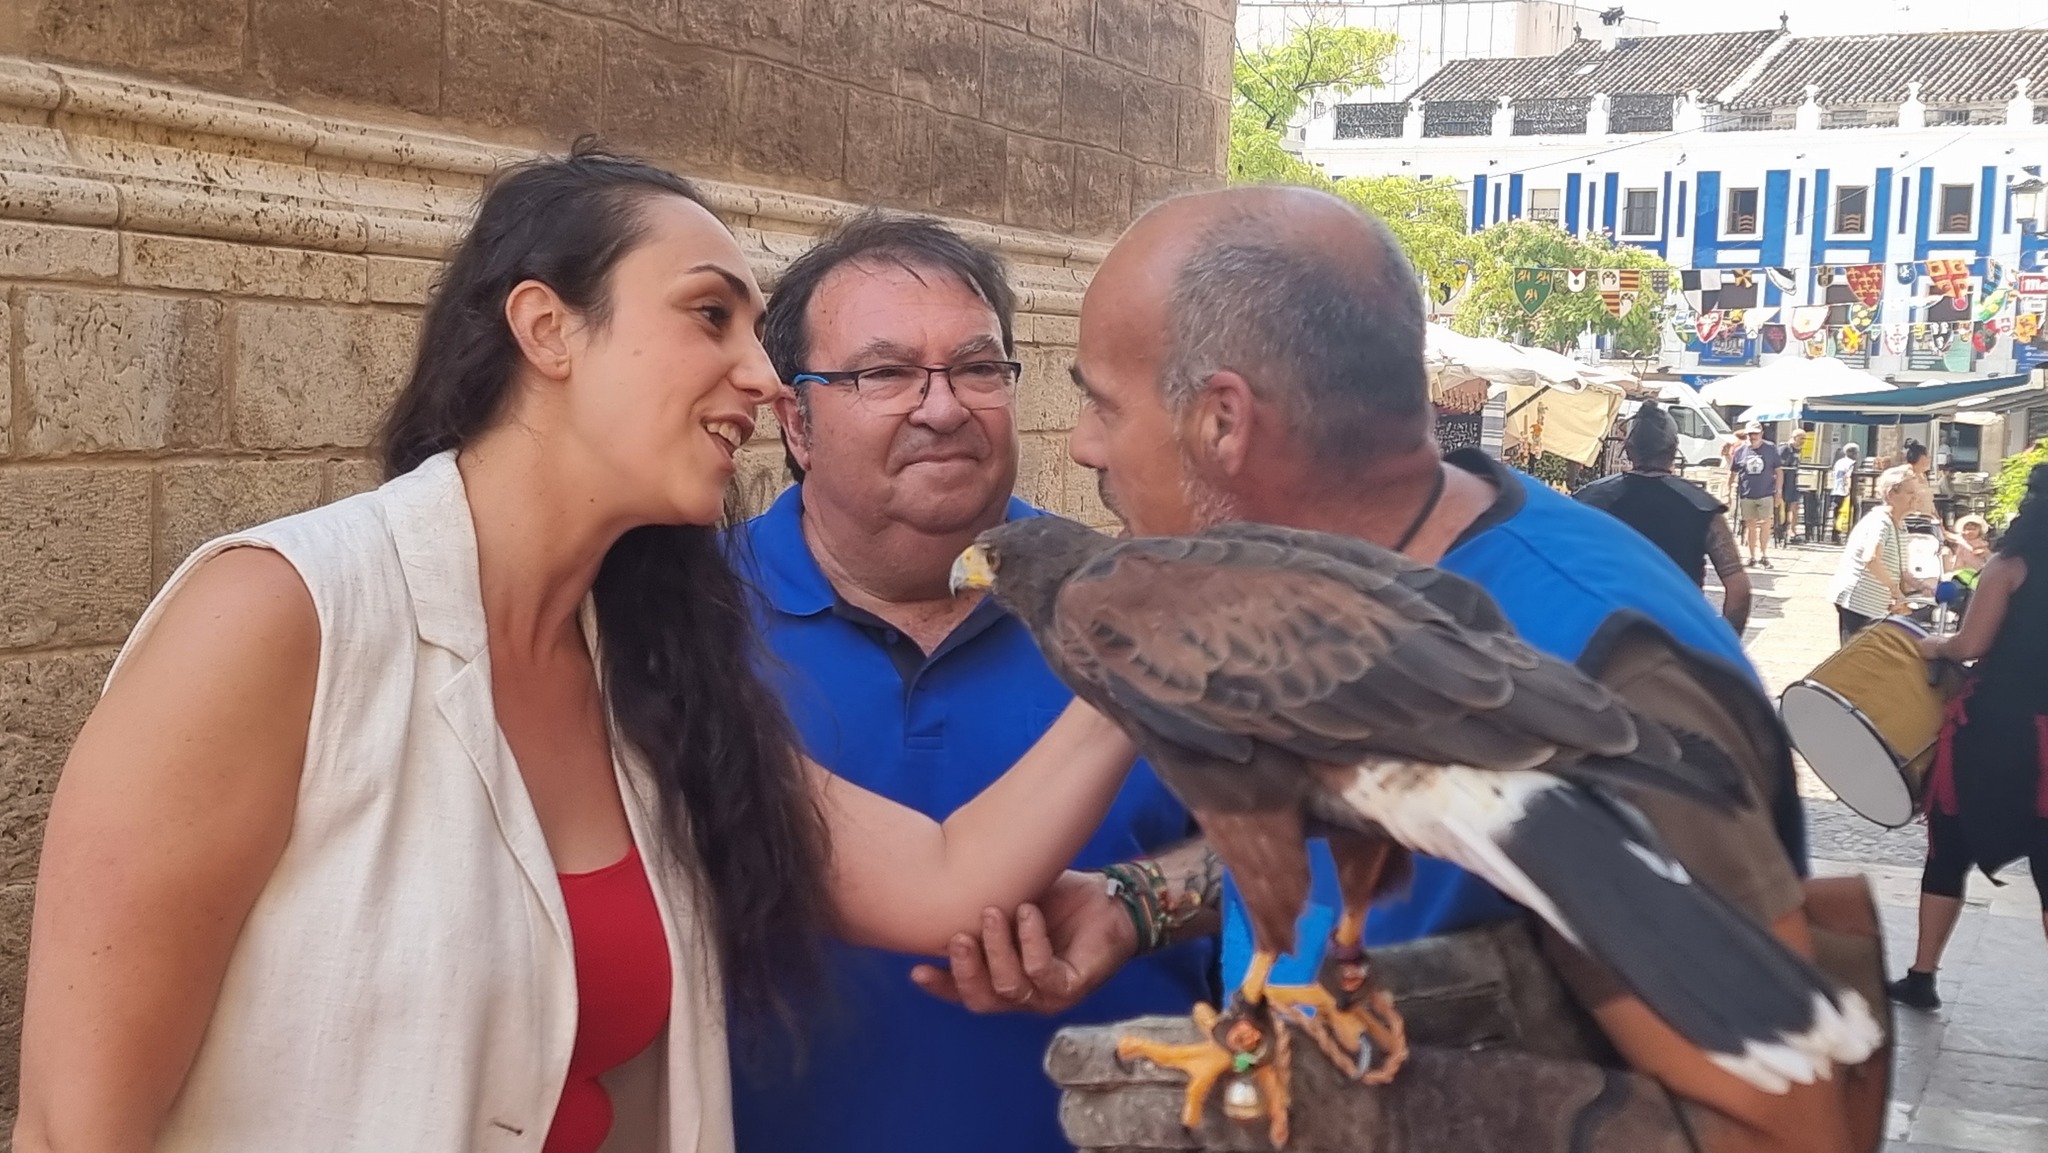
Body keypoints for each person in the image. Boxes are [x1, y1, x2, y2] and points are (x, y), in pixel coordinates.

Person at [11, 148, 1149, 1153]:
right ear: (546, 328)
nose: (763, 377)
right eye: (710, 316)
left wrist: (1159, 645)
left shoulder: (643, 673)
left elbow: (944, 879)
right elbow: (74, 1126)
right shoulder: (279, 617)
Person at [957, 186, 1862, 1153]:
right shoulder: (1270, 604)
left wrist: (1381, 1120)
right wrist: (1143, 903)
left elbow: (1790, 1135)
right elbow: (1348, 798)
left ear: (1223, 419)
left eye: (1101, 402)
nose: (1081, 445)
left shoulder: (1595, 646)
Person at [725, 212, 1214, 1153]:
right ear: (795, 421)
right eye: (884, 374)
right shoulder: (686, 627)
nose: (943, 407)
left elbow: (1316, 849)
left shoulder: (1157, 605)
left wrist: (1142, 899)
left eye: (978, 368)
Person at [1889, 463, 2048, 1010]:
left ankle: (1922, 975)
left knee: (1949, 845)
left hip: (1999, 727)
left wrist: (1933, 646)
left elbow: (1971, 644)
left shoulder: (2010, 565)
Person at [1575, 399, 1753, 635]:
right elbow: (1739, 590)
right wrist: (1721, 644)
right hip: (1678, 637)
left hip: (1603, 637)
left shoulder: (1590, 500)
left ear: (1628, 449)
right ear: (1673, 449)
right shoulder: (1701, 506)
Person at [1828, 466, 1922, 644]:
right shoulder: (1880, 521)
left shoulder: (1900, 525)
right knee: (1857, 655)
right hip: (1859, 600)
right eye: (1910, 493)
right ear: (1891, 494)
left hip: (1875, 605)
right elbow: (1871, 558)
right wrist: (1894, 590)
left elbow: (1901, 570)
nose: (1916, 497)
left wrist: (1922, 586)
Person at [1730, 421, 1782, 567]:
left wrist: (1778, 491)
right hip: (1747, 493)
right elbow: (1732, 472)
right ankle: (1752, 556)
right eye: (1750, 434)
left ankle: (1764, 555)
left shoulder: (1770, 448)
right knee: (1750, 525)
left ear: (1761, 434)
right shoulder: (1740, 450)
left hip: (1766, 492)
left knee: (1766, 523)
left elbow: (1779, 471)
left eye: (1755, 433)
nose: (1752, 436)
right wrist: (1728, 491)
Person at [1777, 426, 1810, 545]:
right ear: (1795, 437)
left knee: (1795, 507)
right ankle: (1780, 531)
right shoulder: (1785, 449)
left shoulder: (1797, 450)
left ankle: (1792, 532)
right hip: (1783, 483)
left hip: (1793, 482)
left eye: (1804, 439)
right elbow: (1778, 466)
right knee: (1782, 509)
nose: (1803, 441)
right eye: (1801, 438)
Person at [1828, 443, 1861, 545]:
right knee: (1852, 513)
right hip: (1846, 492)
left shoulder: (1839, 462)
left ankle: (1835, 535)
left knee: (1837, 513)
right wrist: (1849, 490)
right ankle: (1850, 535)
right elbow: (1849, 477)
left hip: (1836, 490)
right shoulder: (1852, 463)